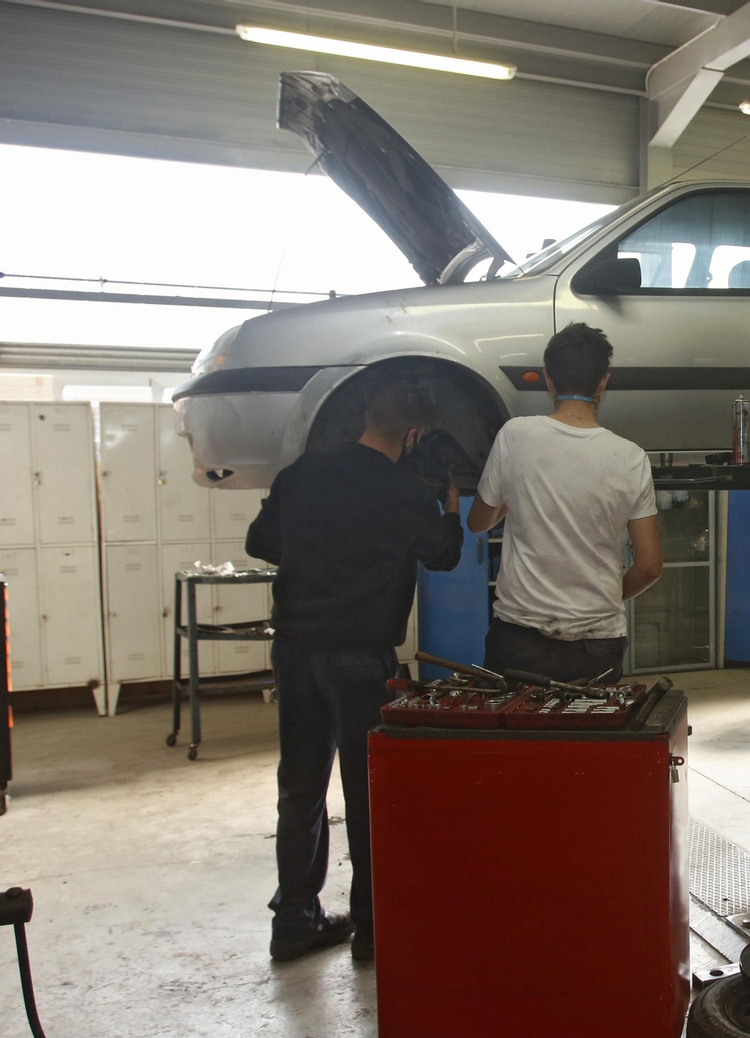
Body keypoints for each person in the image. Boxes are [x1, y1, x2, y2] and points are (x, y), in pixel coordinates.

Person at [246, 381, 463, 963]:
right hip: (361, 660)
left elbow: (259, 540)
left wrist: (315, 553)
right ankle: (371, 928)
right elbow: (443, 555)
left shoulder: (302, 473)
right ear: (413, 435)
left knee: (300, 787)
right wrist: (450, 507)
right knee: (367, 794)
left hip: (295, 651)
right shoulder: (403, 492)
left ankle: (294, 920)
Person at [468, 323, 663, 682]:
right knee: (586, 737)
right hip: (598, 644)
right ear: (603, 382)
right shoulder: (632, 457)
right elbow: (650, 567)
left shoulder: (515, 435)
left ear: (549, 380)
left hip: (519, 638)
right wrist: (601, 599)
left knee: (516, 737)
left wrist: (515, 491)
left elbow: (478, 522)